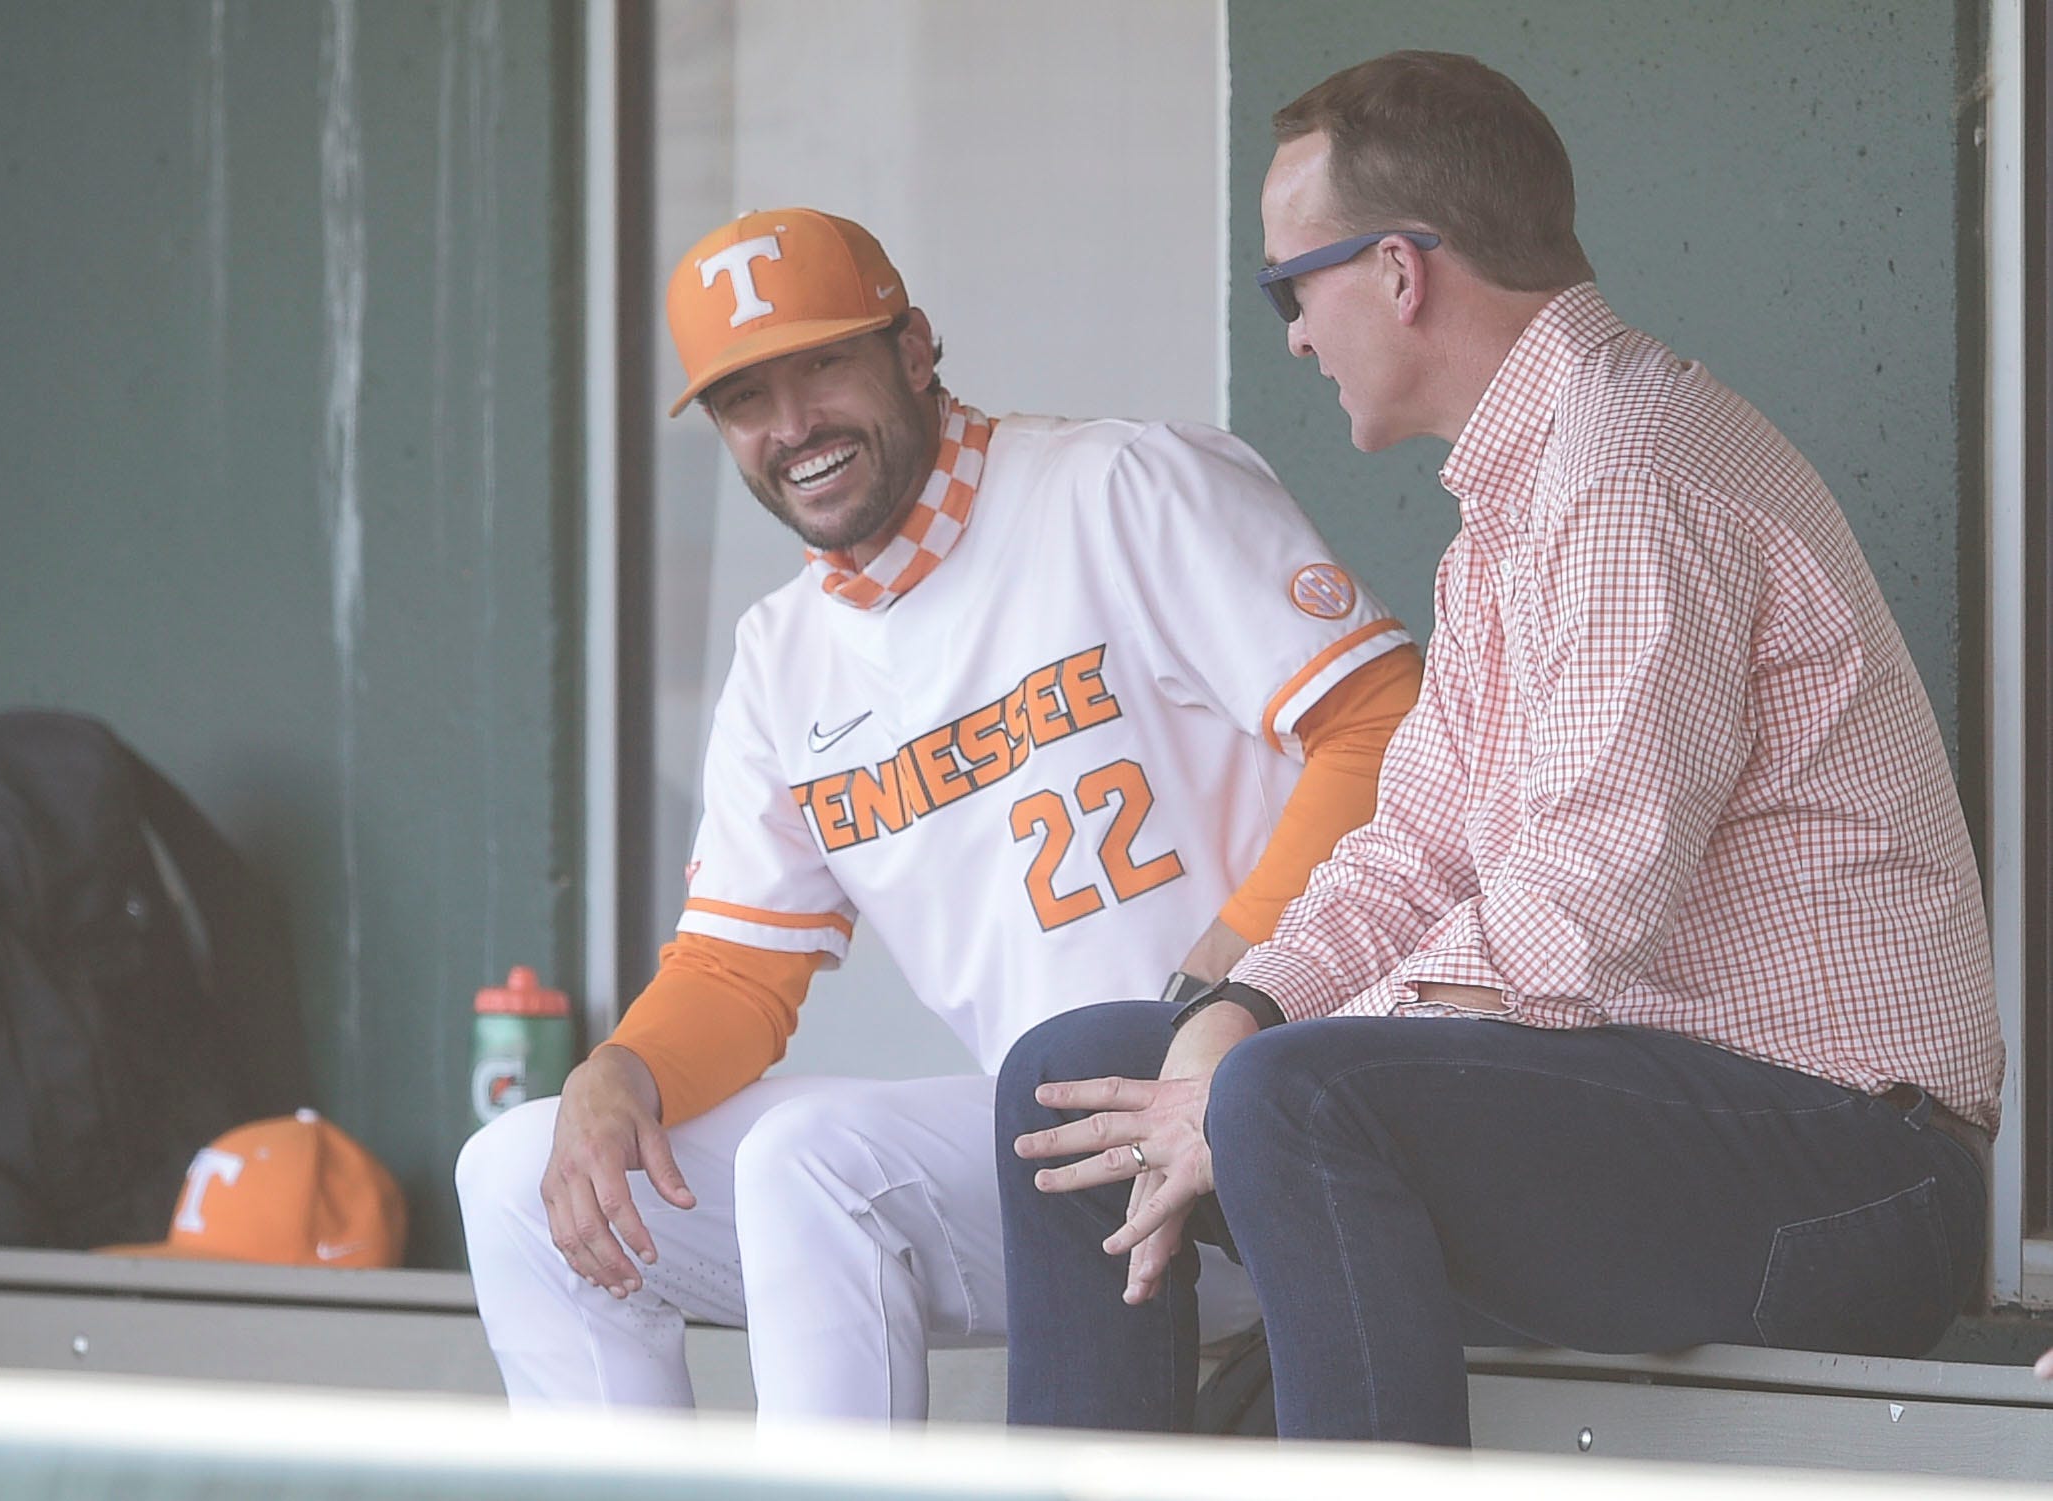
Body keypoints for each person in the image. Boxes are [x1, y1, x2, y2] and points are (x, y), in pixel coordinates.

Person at [998, 50, 2004, 1446]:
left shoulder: (1630, 477)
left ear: (1400, 272)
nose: (1290, 332)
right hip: (1664, 1125)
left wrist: (1260, 1071)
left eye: (1291, 285)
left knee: (1297, 1096)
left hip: (1852, 1181)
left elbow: (1579, 912)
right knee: (1073, 1081)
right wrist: (1242, 1009)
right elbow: (1413, 850)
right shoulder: (1511, 520)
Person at [454, 207, 1422, 1422]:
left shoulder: (1117, 486)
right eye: (746, 396)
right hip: (1051, 1171)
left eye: (822, 363)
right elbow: (740, 969)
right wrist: (620, 1069)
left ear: (913, 346)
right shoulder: (781, 653)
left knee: (815, 1162)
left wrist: (1241, 963)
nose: (792, 423)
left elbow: (1387, 722)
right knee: (515, 1172)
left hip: (1246, 1130)